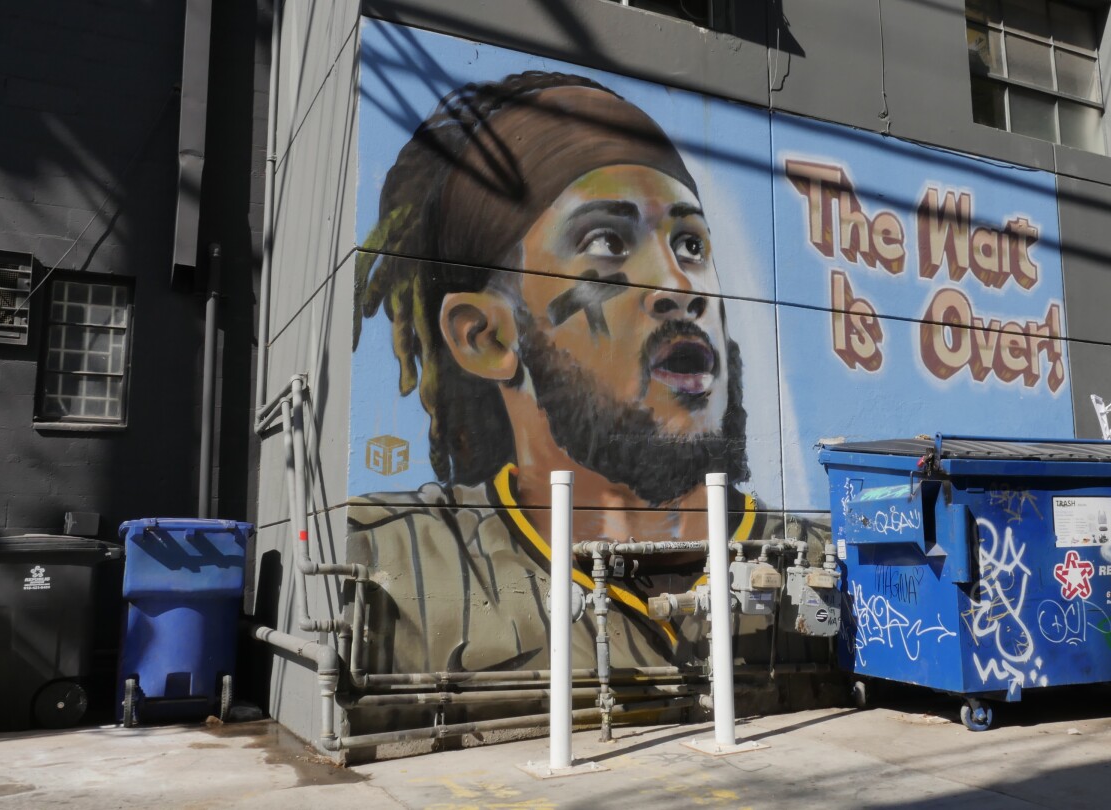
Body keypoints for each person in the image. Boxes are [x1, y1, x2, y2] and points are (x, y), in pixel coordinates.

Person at [349, 71, 824, 677]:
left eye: (691, 245)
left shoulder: (813, 560)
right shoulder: (386, 561)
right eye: (606, 240)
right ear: (486, 336)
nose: (680, 289)